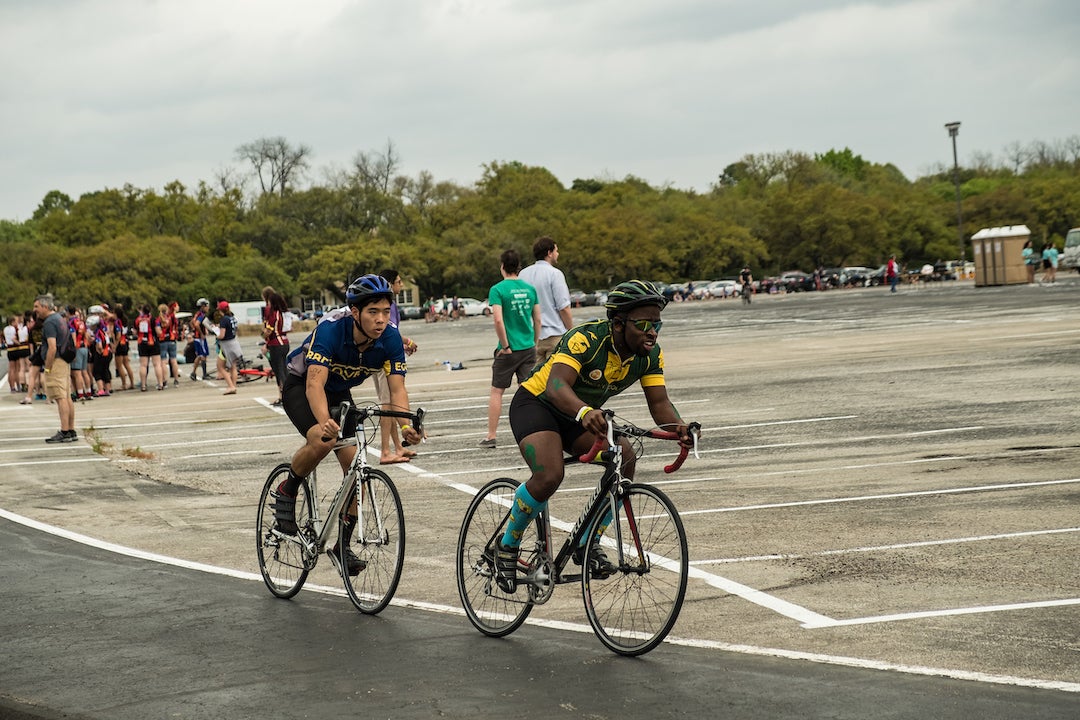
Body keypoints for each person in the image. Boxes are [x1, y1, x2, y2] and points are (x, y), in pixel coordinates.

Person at [495, 280, 695, 592]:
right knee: (549, 475)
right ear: (618, 324)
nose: (653, 332)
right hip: (538, 404)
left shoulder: (650, 355)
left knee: (625, 457)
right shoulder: (585, 339)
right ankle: (506, 547)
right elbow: (557, 386)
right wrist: (586, 412)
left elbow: (660, 404)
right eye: (644, 324)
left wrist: (679, 428)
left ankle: (586, 543)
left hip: (581, 415)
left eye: (657, 324)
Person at [271, 274, 422, 576]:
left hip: (339, 392)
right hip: (302, 385)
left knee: (356, 470)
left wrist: (406, 426)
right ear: (355, 312)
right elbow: (314, 384)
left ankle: (341, 545)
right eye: (372, 312)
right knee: (322, 440)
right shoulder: (331, 329)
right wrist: (324, 421)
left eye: (385, 312)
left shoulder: (390, 338)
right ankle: (287, 490)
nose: (381, 320)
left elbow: (397, 390)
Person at [479, 249, 540, 449]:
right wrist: (534, 341)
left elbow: (498, 319)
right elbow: (537, 318)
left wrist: (505, 345)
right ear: (519, 267)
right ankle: (532, 433)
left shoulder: (498, 289)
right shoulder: (530, 289)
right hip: (528, 346)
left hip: (509, 349)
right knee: (528, 391)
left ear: (503, 267)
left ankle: (491, 435)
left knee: (497, 391)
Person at [372, 269, 419, 464]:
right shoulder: (387, 305)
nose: (402, 285)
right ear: (390, 284)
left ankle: (397, 447)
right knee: (387, 404)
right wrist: (407, 341)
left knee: (389, 404)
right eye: (399, 282)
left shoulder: (387, 304)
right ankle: (385, 451)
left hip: (382, 355)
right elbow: (387, 331)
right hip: (384, 360)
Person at [518, 235, 573, 365]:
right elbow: (563, 307)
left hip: (530, 337)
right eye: (556, 251)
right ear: (549, 253)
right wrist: (571, 331)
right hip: (554, 334)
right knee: (555, 381)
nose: (557, 254)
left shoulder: (523, 274)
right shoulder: (555, 274)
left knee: (535, 381)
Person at [33, 294, 76, 443]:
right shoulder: (60, 319)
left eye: (37, 306)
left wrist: (48, 368)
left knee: (60, 397)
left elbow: (52, 347)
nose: (35, 310)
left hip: (56, 361)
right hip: (64, 361)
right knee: (67, 396)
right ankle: (70, 430)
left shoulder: (49, 323)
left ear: (45, 306)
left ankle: (64, 431)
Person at [261, 287, 291, 406]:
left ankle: (284, 396)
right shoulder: (283, 313)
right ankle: (286, 395)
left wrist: (264, 338)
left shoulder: (273, 313)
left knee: (279, 372)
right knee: (284, 370)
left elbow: (268, 331)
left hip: (276, 344)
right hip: (284, 342)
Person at [213, 300, 241, 395]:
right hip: (234, 343)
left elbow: (222, 335)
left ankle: (230, 386)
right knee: (233, 367)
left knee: (220, 366)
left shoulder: (224, 319)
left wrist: (216, 334)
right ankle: (233, 386)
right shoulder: (232, 318)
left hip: (226, 345)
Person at [4, 314, 30, 394]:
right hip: (16, 349)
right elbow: (16, 337)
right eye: (15, 321)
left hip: (9, 349)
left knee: (11, 369)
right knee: (18, 369)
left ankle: (12, 387)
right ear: (12, 322)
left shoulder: (5, 329)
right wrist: (19, 343)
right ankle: (18, 385)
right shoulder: (15, 328)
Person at [112, 304, 134, 391]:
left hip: (120, 344)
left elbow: (118, 335)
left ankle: (124, 384)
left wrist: (114, 346)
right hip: (125, 342)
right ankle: (132, 382)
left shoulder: (117, 322)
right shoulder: (125, 320)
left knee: (119, 365)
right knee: (126, 364)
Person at [158, 302, 181, 387]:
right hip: (171, 339)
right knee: (173, 360)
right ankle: (176, 380)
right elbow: (176, 327)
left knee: (163, 361)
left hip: (162, 340)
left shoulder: (159, 319)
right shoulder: (172, 317)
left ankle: (165, 380)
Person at [189, 298, 211, 381]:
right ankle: (204, 374)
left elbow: (192, 323)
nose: (208, 308)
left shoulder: (197, 314)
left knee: (199, 356)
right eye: (207, 306)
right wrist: (201, 333)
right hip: (200, 338)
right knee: (203, 356)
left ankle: (193, 372)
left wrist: (194, 330)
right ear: (202, 306)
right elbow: (197, 324)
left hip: (197, 337)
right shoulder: (201, 315)